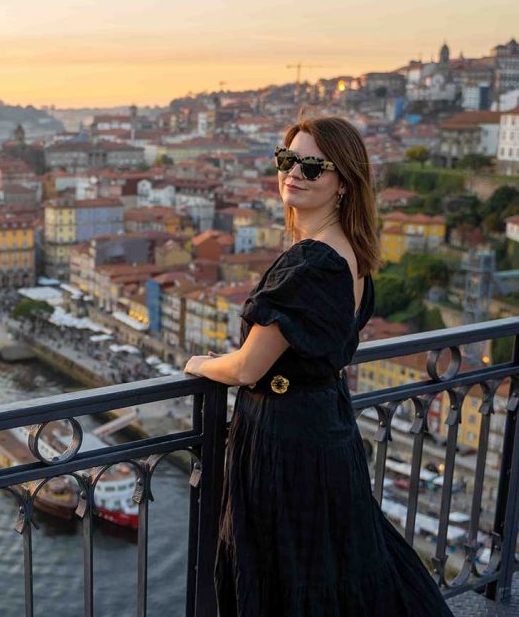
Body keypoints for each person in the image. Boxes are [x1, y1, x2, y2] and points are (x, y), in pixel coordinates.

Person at [184, 117, 453, 615]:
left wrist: (203, 363)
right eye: (287, 159)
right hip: (323, 426)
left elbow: (247, 368)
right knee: (330, 571)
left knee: (280, 576)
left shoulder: (314, 262)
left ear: (344, 182)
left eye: (312, 165)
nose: (295, 173)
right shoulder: (349, 255)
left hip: (284, 439)